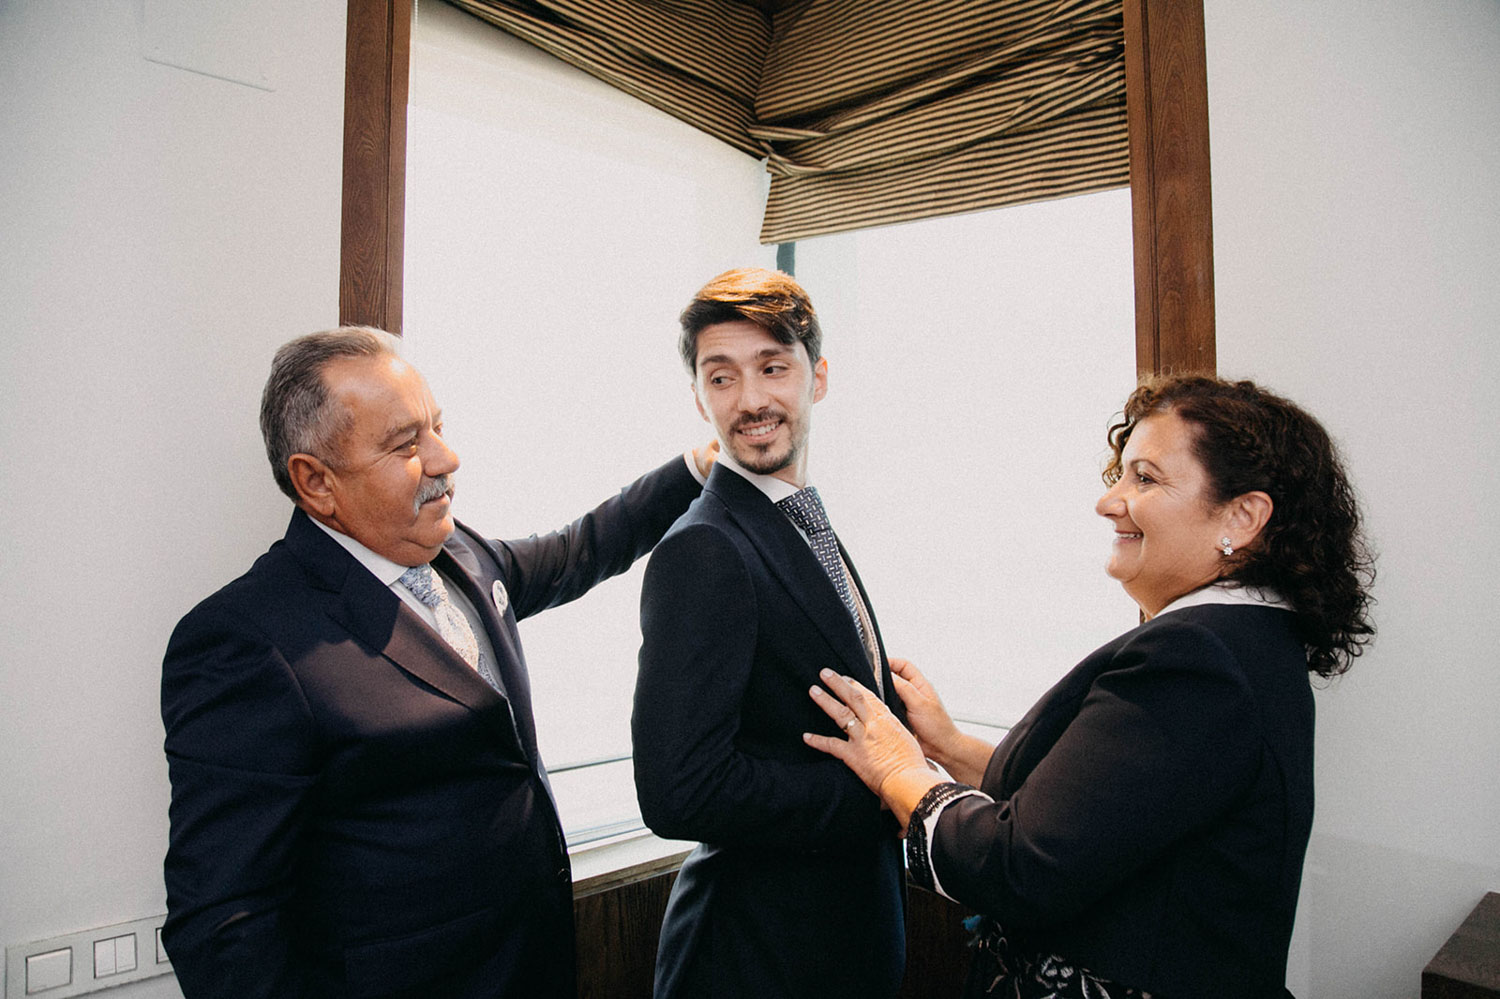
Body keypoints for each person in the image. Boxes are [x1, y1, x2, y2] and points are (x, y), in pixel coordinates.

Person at [160, 326, 713, 999]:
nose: (447, 457)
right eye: (405, 445)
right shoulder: (247, 641)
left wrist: (695, 469)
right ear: (316, 482)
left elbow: (579, 550)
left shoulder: (464, 557)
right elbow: (224, 929)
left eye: (438, 426)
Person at [806, 374, 1376, 999]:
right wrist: (950, 747)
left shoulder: (1196, 656)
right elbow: (1109, 807)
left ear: (1242, 517)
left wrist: (898, 769)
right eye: (1122, 474)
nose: (1109, 501)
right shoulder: (1250, 639)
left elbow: (1020, 868)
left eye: (1146, 478)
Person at [631, 269, 907, 999]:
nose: (749, 400)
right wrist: (877, 793)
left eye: (772, 368)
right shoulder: (703, 548)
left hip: (834, 945)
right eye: (721, 378)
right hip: (753, 959)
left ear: (817, 377)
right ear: (699, 398)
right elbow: (677, 790)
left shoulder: (798, 517)